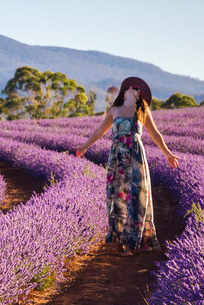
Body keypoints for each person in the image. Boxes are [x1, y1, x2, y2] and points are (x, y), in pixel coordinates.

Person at [75, 76, 180, 256]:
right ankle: (121, 239)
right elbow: (99, 131)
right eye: (140, 90)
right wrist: (85, 146)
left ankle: (133, 241)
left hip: (136, 155)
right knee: (118, 196)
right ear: (131, 89)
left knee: (137, 196)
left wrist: (168, 153)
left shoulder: (142, 110)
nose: (141, 94)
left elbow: (155, 134)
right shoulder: (114, 110)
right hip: (118, 156)